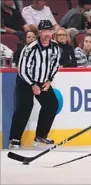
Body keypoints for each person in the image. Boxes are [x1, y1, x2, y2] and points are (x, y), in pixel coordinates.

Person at [8, 20, 60, 149]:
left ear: (53, 32)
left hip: (42, 81)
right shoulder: (30, 47)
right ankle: (14, 139)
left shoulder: (55, 47)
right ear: (40, 32)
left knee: (51, 104)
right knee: (25, 108)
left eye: (50, 31)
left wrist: (49, 80)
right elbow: (23, 69)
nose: (47, 34)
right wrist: (32, 84)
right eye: (44, 31)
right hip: (25, 81)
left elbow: (55, 65)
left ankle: (40, 136)